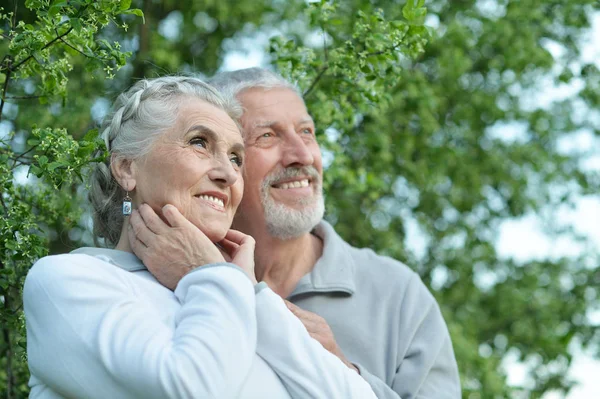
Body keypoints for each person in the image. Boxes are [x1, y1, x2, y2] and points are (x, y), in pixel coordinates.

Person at [23, 76, 377, 399]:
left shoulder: (242, 296)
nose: (227, 173)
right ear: (127, 168)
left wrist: (249, 292)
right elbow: (191, 388)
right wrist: (214, 276)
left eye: (237, 158)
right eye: (199, 143)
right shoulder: (66, 281)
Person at [206, 67, 462, 399]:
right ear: (222, 164)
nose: (302, 155)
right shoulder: (178, 279)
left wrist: (341, 372)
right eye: (267, 136)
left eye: (307, 132)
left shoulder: (399, 295)